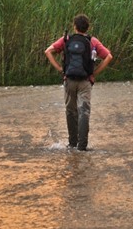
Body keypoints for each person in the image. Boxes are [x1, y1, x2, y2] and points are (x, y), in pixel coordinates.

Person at [45, 14, 113, 151]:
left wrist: (60, 69)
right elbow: (108, 56)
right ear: (88, 27)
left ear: (74, 26)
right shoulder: (92, 41)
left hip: (69, 80)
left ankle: (72, 144)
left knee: (71, 112)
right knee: (84, 112)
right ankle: (82, 147)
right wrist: (95, 73)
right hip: (85, 82)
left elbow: (48, 51)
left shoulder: (66, 39)